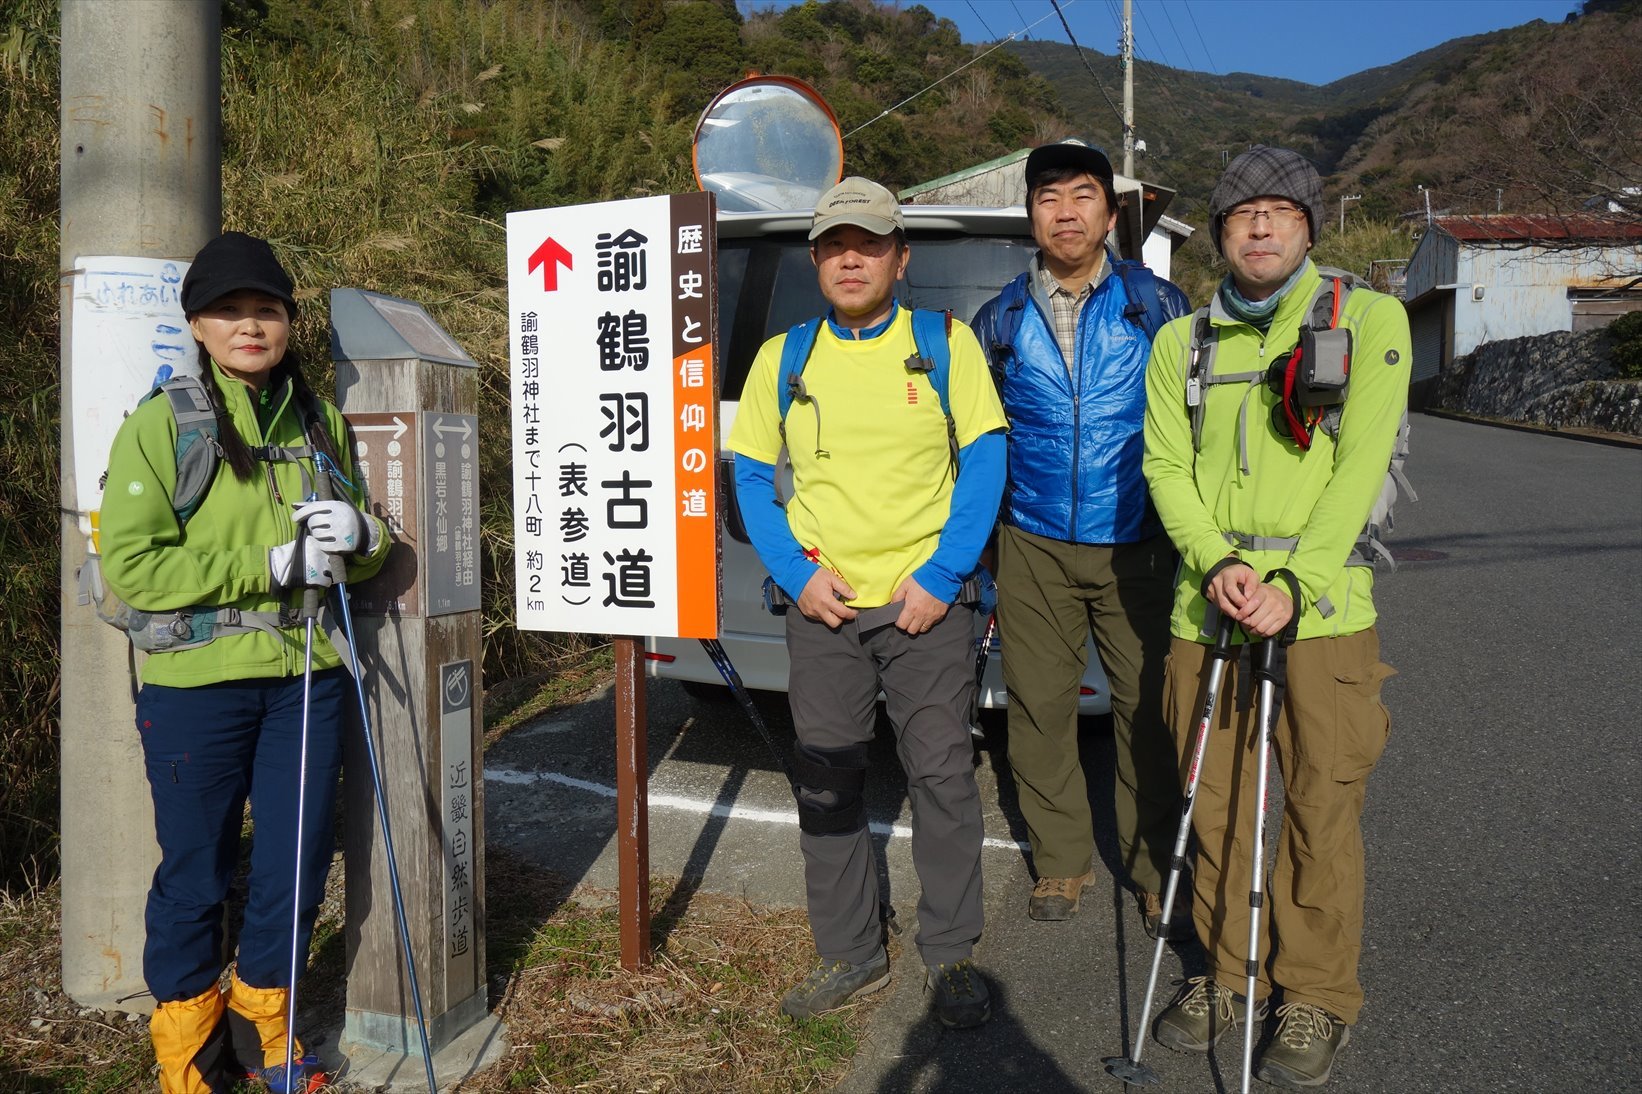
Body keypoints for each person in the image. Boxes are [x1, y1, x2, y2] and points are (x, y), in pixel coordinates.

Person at [1141, 146, 1409, 1088]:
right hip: (1204, 608)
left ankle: (1317, 993)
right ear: (1219, 233)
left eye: (1279, 211)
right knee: (1211, 802)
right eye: (1241, 212)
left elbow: (1361, 466)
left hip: (1323, 612)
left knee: (1318, 805)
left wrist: (1291, 582)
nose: (1259, 225)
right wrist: (1217, 563)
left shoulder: (1366, 321)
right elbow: (1166, 467)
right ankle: (1230, 971)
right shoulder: (1184, 343)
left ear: (1308, 226)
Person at [99, 231, 390, 1093]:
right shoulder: (163, 425)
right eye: (229, 310)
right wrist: (266, 563)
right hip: (195, 688)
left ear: (290, 323)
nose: (249, 325)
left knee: (295, 865)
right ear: (198, 323)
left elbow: (355, 552)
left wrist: (364, 538)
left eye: (266, 309)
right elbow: (135, 567)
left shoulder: (318, 420)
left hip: (307, 677)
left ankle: (272, 1037)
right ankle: (188, 1054)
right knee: (196, 873)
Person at [727, 177, 1008, 1029]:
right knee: (828, 783)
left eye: (871, 243)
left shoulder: (944, 342)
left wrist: (941, 578)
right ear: (816, 260)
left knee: (942, 778)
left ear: (900, 257)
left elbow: (986, 459)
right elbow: (748, 473)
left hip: (925, 608)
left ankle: (951, 953)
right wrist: (798, 573)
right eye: (835, 245)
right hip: (825, 609)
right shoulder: (786, 356)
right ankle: (850, 953)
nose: (853, 258)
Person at [970, 142, 1191, 933]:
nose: (1065, 212)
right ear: (1031, 214)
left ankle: (1154, 861)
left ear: (1109, 211)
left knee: (1148, 710)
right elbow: (980, 436)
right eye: (1049, 198)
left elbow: (1191, 425)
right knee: (1039, 707)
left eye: (1083, 195)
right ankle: (1062, 861)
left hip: (1139, 535)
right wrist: (987, 542)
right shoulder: (996, 319)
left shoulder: (1158, 305)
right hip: (1031, 539)